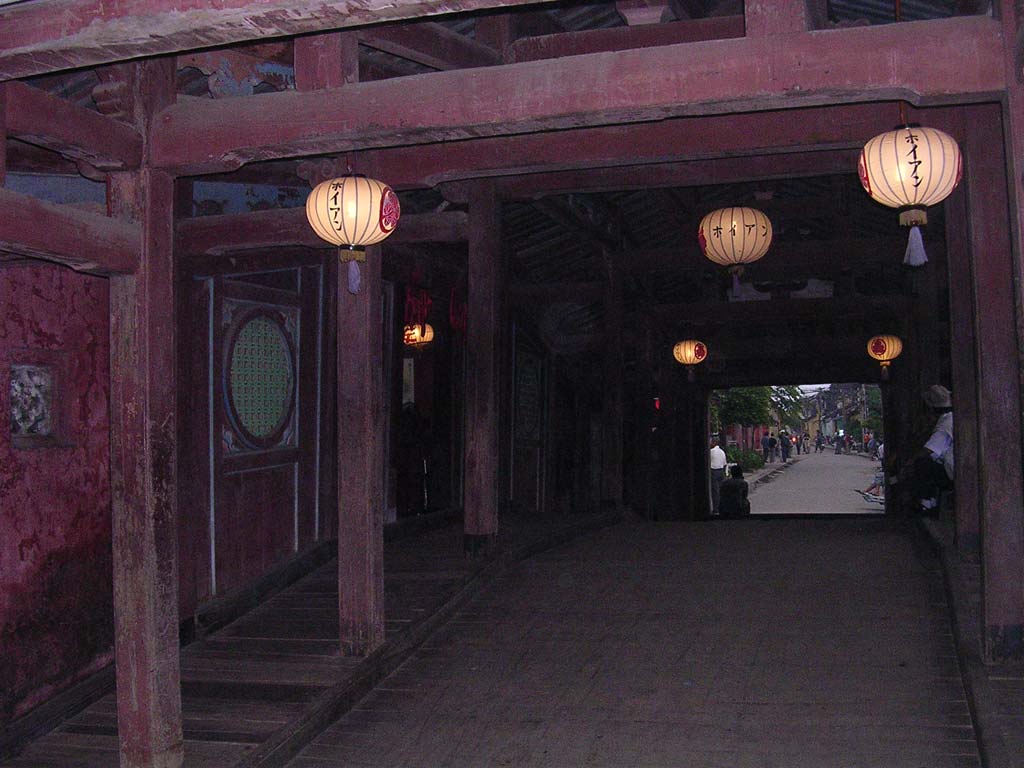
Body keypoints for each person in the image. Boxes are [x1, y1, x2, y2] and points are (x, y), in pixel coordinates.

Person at [915, 385, 954, 512]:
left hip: (951, 471)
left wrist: (910, 461)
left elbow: (929, 450)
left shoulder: (945, 423)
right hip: (949, 466)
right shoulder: (949, 418)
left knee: (922, 464)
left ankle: (927, 503)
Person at [709, 438, 727, 516]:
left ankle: (716, 509)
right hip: (721, 471)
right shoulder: (722, 452)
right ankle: (721, 507)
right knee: (720, 490)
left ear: (714, 443)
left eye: (711, 442)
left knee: (715, 491)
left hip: (714, 471)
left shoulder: (711, 452)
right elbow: (724, 463)